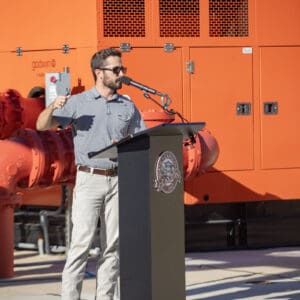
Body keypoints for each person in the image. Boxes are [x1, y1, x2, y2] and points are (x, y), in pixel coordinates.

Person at [36, 48, 146, 300]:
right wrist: (53, 105)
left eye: (122, 69)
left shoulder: (128, 106)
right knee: (80, 246)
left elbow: (142, 140)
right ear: (99, 73)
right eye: (116, 70)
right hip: (89, 179)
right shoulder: (78, 102)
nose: (121, 74)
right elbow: (42, 126)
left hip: (119, 180)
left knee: (113, 247)